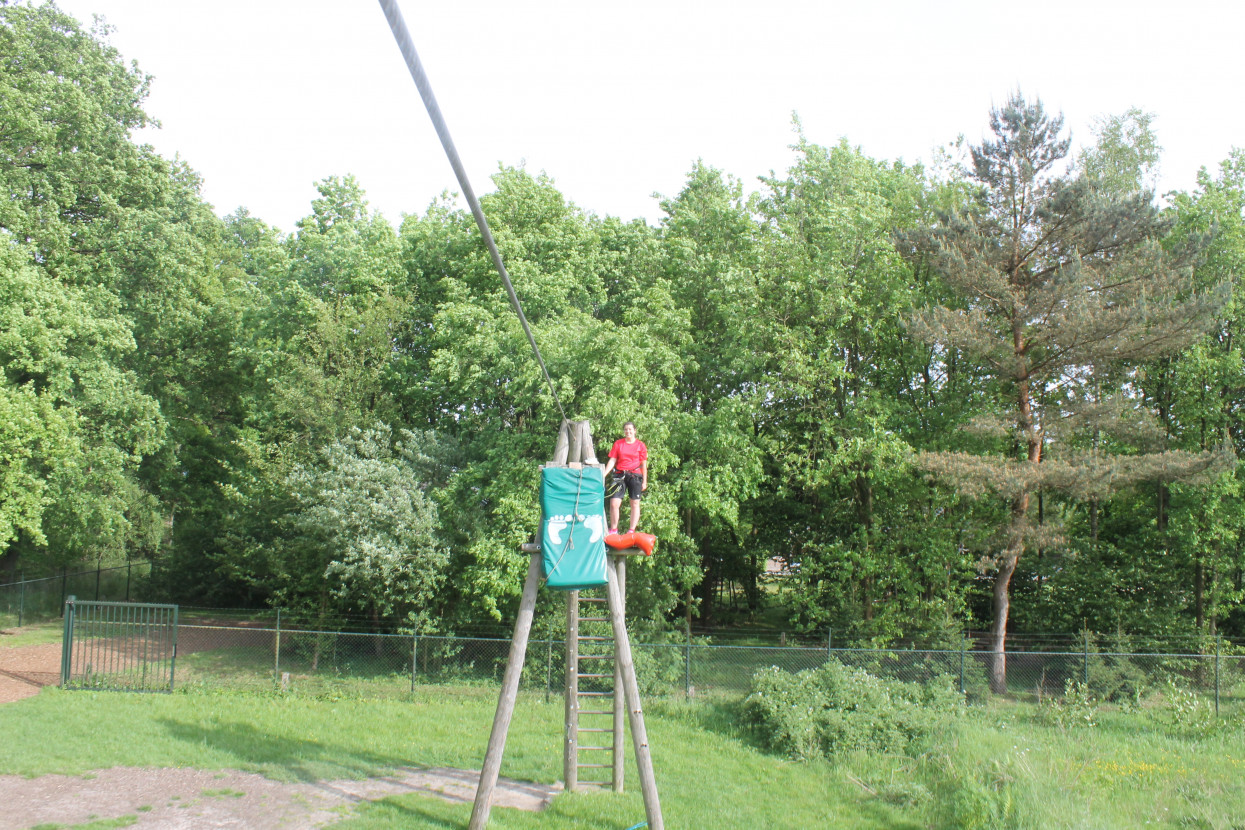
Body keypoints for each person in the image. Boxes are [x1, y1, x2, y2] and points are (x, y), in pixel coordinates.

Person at [602, 421, 647, 534]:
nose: (628, 431)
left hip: (635, 475)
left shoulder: (640, 445)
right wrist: (604, 474)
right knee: (614, 503)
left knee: (635, 503)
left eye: (630, 429)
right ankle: (614, 529)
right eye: (626, 429)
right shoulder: (618, 444)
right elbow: (612, 460)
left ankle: (631, 530)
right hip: (620, 475)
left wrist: (644, 481)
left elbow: (644, 465)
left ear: (634, 431)